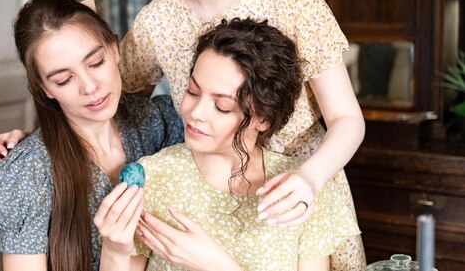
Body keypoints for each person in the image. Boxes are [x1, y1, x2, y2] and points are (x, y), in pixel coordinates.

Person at [0, 0, 366, 267]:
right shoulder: (157, 22)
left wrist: (310, 178)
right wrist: (33, 137)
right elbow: (97, 94)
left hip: (299, 191)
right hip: (206, 203)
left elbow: (347, 119)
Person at [94, 18, 360, 271]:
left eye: (222, 106)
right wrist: (115, 250)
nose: (196, 112)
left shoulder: (298, 195)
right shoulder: (153, 178)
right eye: (193, 92)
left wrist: (217, 265)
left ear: (263, 118)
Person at [0, 0, 183, 271]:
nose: (89, 87)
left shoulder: (156, 124)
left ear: (115, 49)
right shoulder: (28, 173)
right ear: (45, 88)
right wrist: (114, 252)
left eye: (96, 63)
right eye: (64, 80)